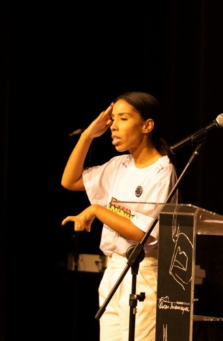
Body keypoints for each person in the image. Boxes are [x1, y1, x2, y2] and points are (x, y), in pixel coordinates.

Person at [61, 91, 178, 341]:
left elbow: (143, 234)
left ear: (147, 125)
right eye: (112, 119)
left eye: (122, 119)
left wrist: (96, 210)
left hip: (143, 273)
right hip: (114, 270)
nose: (113, 126)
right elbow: (69, 180)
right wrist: (87, 136)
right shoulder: (119, 164)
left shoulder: (162, 170)